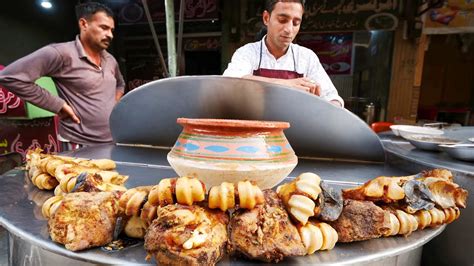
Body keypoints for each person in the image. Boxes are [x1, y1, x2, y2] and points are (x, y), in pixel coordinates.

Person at [0, 2, 125, 150]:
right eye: (103, 28)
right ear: (84, 24)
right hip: (78, 143)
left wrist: (115, 102)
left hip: (111, 139)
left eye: (111, 30)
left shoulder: (110, 60)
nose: (109, 35)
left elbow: (120, 83)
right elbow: (10, 77)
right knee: (78, 174)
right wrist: (58, 105)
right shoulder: (61, 54)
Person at [223, 0, 344, 107]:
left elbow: (331, 97)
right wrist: (287, 86)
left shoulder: (307, 57)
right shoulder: (247, 52)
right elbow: (230, 81)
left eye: (296, 23)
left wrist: (333, 107)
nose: (289, 29)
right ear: (266, 18)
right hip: (256, 129)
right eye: (282, 20)